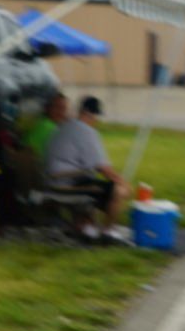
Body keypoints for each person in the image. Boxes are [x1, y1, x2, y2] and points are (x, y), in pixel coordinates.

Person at [44, 95, 129, 241]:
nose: (96, 122)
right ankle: (108, 232)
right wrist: (124, 183)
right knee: (118, 190)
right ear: (92, 115)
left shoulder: (65, 126)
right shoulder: (87, 131)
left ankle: (87, 226)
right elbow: (104, 168)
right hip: (65, 182)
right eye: (96, 118)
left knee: (93, 181)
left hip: (53, 179)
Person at [24, 92, 68, 158]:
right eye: (57, 107)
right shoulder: (48, 127)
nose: (61, 112)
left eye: (64, 108)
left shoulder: (40, 121)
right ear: (48, 108)